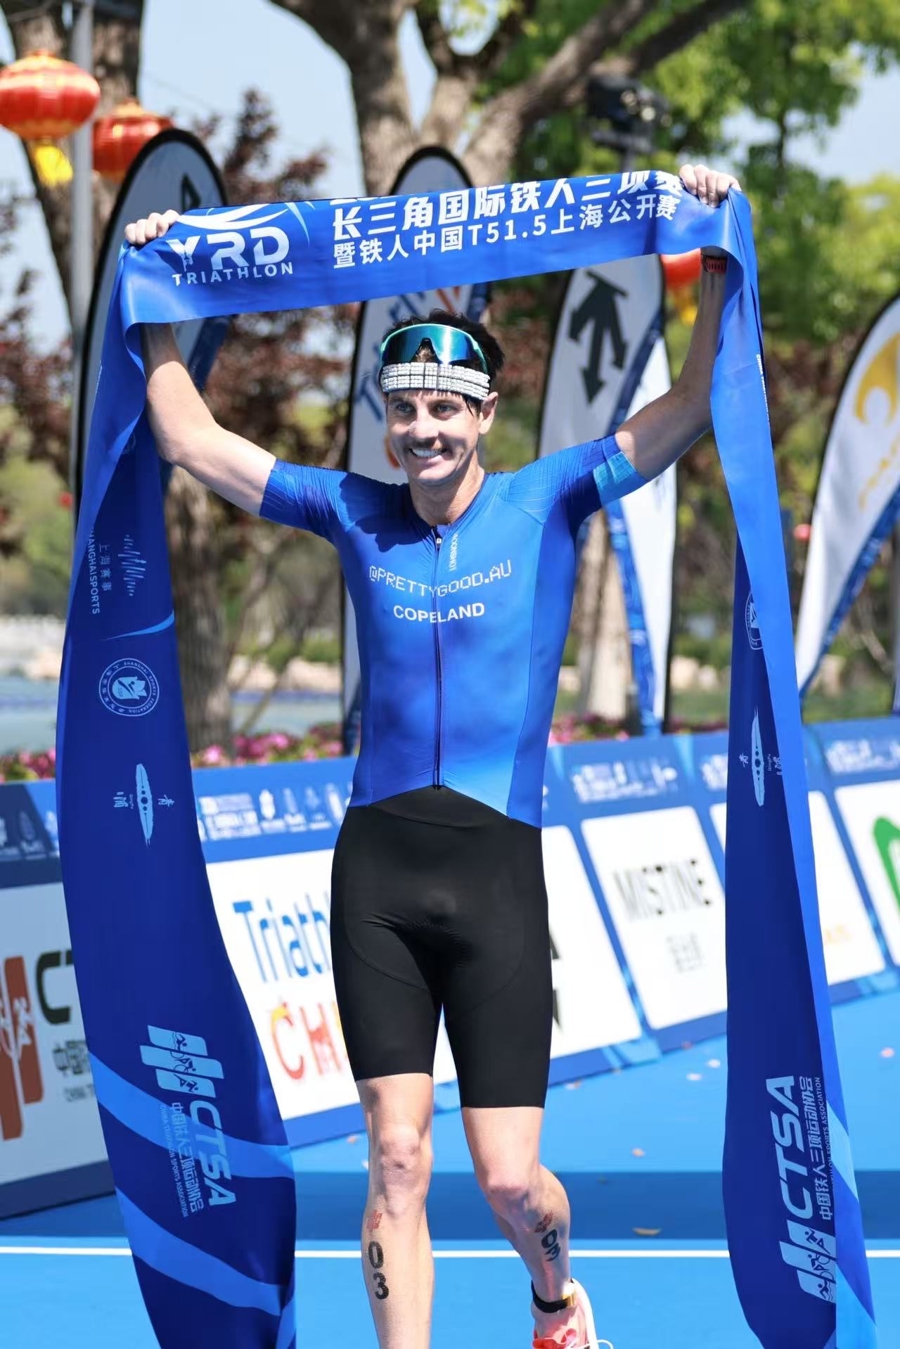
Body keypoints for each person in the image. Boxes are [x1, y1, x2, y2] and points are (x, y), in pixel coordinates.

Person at [127, 161, 740, 1349]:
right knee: (396, 1156)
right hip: (379, 870)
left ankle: (556, 1299)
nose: (423, 431)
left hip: (498, 871)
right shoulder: (350, 509)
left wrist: (713, 255)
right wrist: (155, 286)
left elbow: (689, 404)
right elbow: (189, 435)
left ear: (485, 415)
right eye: (404, 411)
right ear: (386, 420)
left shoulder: (551, 497)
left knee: (509, 1180)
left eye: (446, 410)